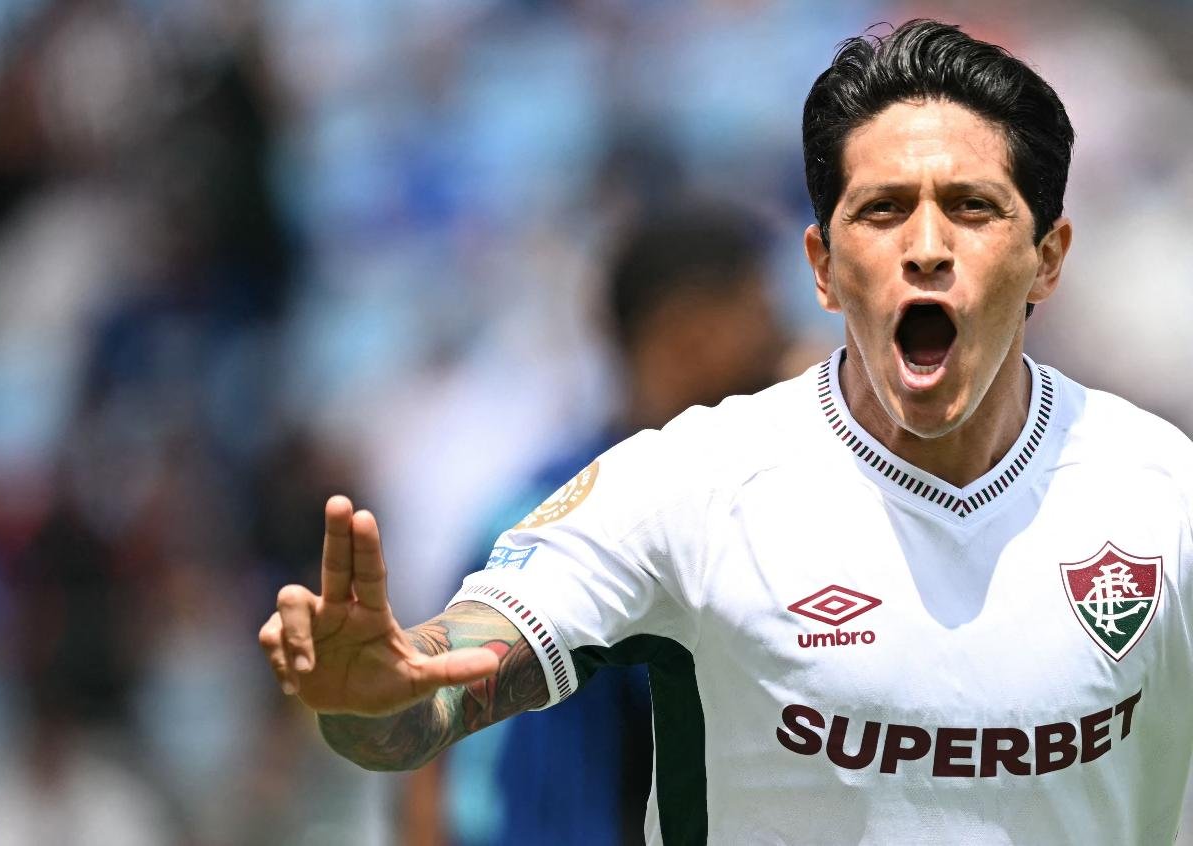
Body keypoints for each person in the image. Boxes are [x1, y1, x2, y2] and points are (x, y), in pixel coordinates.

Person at [258, 20, 1193, 844]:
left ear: (1049, 260)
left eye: (972, 206)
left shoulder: (1161, 496)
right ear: (823, 269)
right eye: (882, 209)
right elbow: (432, 691)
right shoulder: (692, 487)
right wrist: (374, 695)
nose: (927, 244)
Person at [416, 204, 789, 845]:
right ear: (687, 335)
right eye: (759, 324)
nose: (781, 357)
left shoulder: (532, 506)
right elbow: (434, 741)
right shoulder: (565, 523)